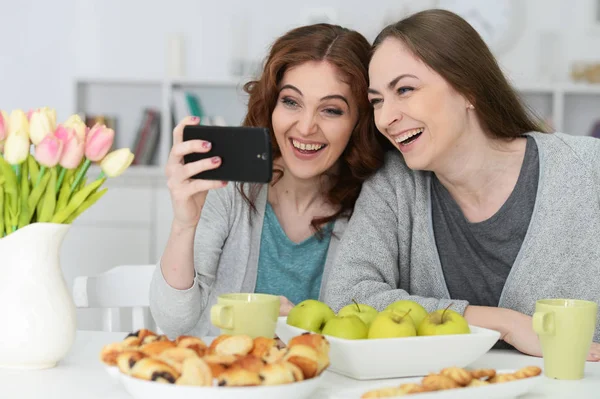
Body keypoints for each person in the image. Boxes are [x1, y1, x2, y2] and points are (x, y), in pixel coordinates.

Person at [324, 9, 600, 360]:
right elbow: (346, 297)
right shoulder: (394, 186)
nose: (385, 118)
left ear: (468, 86)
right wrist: (503, 323)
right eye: (377, 100)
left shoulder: (588, 169)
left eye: (405, 89)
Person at [149, 23, 384, 337]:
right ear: (272, 104)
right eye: (291, 102)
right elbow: (172, 322)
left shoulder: (374, 206)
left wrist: (300, 327)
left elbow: (373, 327)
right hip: (225, 378)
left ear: (359, 122)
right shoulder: (228, 190)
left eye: (331, 110)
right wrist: (184, 223)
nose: (305, 127)